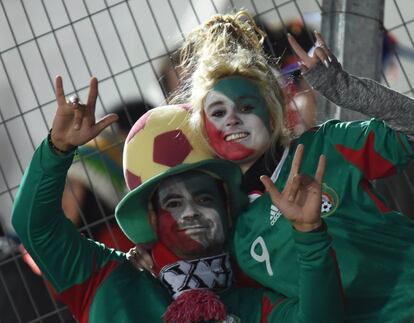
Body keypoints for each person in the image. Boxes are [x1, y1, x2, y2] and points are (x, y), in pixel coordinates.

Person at [130, 10, 414, 322]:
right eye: (217, 112)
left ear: (272, 110)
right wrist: (150, 257)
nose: (233, 119)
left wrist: (349, 91)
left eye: (246, 106)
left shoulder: (326, 145)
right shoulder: (233, 226)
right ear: (203, 129)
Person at [12, 77, 344, 323]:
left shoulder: (254, 302)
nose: (190, 213)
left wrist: (310, 233)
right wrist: (57, 150)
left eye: (203, 198)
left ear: (227, 208)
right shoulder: (109, 280)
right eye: (172, 203)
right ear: (153, 218)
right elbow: (33, 227)